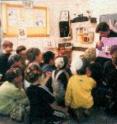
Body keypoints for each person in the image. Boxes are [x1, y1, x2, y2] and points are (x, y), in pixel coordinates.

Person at [65, 56, 96, 121]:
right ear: (87, 69)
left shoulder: (72, 79)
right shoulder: (90, 80)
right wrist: (88, 76)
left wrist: (67, 104)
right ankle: (86, 110)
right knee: (88, 102)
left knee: (76, 108)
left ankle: (78, 114)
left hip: (76, 104)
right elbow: (94, 85)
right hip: (88, 103)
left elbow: (68, 93)